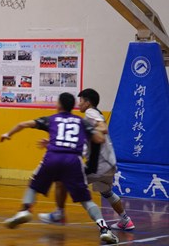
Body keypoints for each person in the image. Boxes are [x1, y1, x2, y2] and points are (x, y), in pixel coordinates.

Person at [0, 92, 119, 245]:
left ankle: (25, 209)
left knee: (33, 185)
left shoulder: (51, 119)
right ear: (72, 106)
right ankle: (104, 229)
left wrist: (8, 134)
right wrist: (89, 131)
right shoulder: (81, 122)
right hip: (73, 161)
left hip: (52, 158)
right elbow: (100, 138)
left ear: (59, 105)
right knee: (86, 201)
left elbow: (23, 124)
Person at [38, 88, 135, 231]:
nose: (79, 104)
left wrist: (87, 131)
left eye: (81, 101)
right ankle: (126, 220)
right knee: (107, 193)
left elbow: (103, 128)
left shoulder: (90, 113)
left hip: (99, 166)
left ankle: (59, 213)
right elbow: (87, 140)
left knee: (62, 179)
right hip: (109, 164)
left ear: (88, 102)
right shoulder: (96, 114)